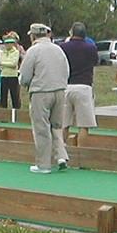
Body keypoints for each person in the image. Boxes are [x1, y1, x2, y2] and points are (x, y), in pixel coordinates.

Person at [19, 23, 70, 173]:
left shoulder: (33, 51)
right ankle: (61, 156)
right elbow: (66, 70)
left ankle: (43, 164)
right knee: (56, 126)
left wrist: (23, 82)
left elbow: (25, 76)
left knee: (41, 128)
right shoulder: (58, 49)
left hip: (41, 91)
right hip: (60, 90)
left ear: (33, 36)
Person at [59, 22, 98, 144]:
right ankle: (81, 151)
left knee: (63, 123)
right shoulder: (91, 48)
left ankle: (60, 150)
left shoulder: (63, 47)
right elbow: (95, 62)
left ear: (72, 33)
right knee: (84, 125)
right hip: (84, 87)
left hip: (66, 86)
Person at [0, 33, 22, 108]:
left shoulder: (16, 52)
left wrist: (4, 63)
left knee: (15, 96)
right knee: (3, 96)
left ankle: (16, 112)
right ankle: (3, 112)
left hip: (13, 76)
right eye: (6, 43)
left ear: (13, 43)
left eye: (10, 43)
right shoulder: (2, 52)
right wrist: (7, 63)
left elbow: (14, 64)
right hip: (3, 75)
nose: (8, 45)